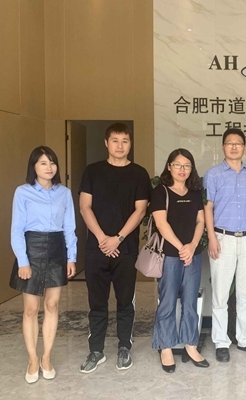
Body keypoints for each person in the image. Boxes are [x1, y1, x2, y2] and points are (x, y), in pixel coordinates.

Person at [78, 123, 151, 373]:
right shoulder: (92, 171)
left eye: (125, 141)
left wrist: (117, 238)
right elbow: (84, 207)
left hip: (125, 249)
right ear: (106, 143)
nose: (120, 146)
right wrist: (102, 238)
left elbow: (140, 210)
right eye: (115, 140)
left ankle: (124, 347)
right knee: (96, 303)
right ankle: (96, 351)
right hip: (96, 249)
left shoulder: (139, 174)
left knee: (125, 302)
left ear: (130, 144)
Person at [10, 146, 77, 383]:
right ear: (34, 167)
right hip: (32, 249)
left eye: (52, 163)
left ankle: (46, 357)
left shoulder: (64, 193)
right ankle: (32, 359)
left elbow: (69, 227)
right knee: (31, 308)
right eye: (43, 163)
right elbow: (17, 229)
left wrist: (71, 257)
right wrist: (23, 260)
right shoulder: (23, 192)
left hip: (57, 249)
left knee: (52, 305)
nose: (49, 167)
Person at [204, 128, 246, 362]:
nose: (234, 147)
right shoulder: (213, 174)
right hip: (223, 238)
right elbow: (208, 207)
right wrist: (211, 238)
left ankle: (245, 338)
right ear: (223, 147)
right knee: (221, 293)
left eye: (238, 143)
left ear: (244, 147)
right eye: (230, 143)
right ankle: (221, 342)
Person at [150, 149, 208, 373]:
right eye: (177, 165)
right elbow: (161, 224)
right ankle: (165, 347)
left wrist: (191, 246)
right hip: (169, 256)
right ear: (169, 166)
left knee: (190, 302)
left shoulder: (195, 192)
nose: (182, 169)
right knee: (167, 301)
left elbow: (200, 221)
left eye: (187, 166)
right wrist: (181, 247)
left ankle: (190, 345)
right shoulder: (160, 192)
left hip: (192, 255)